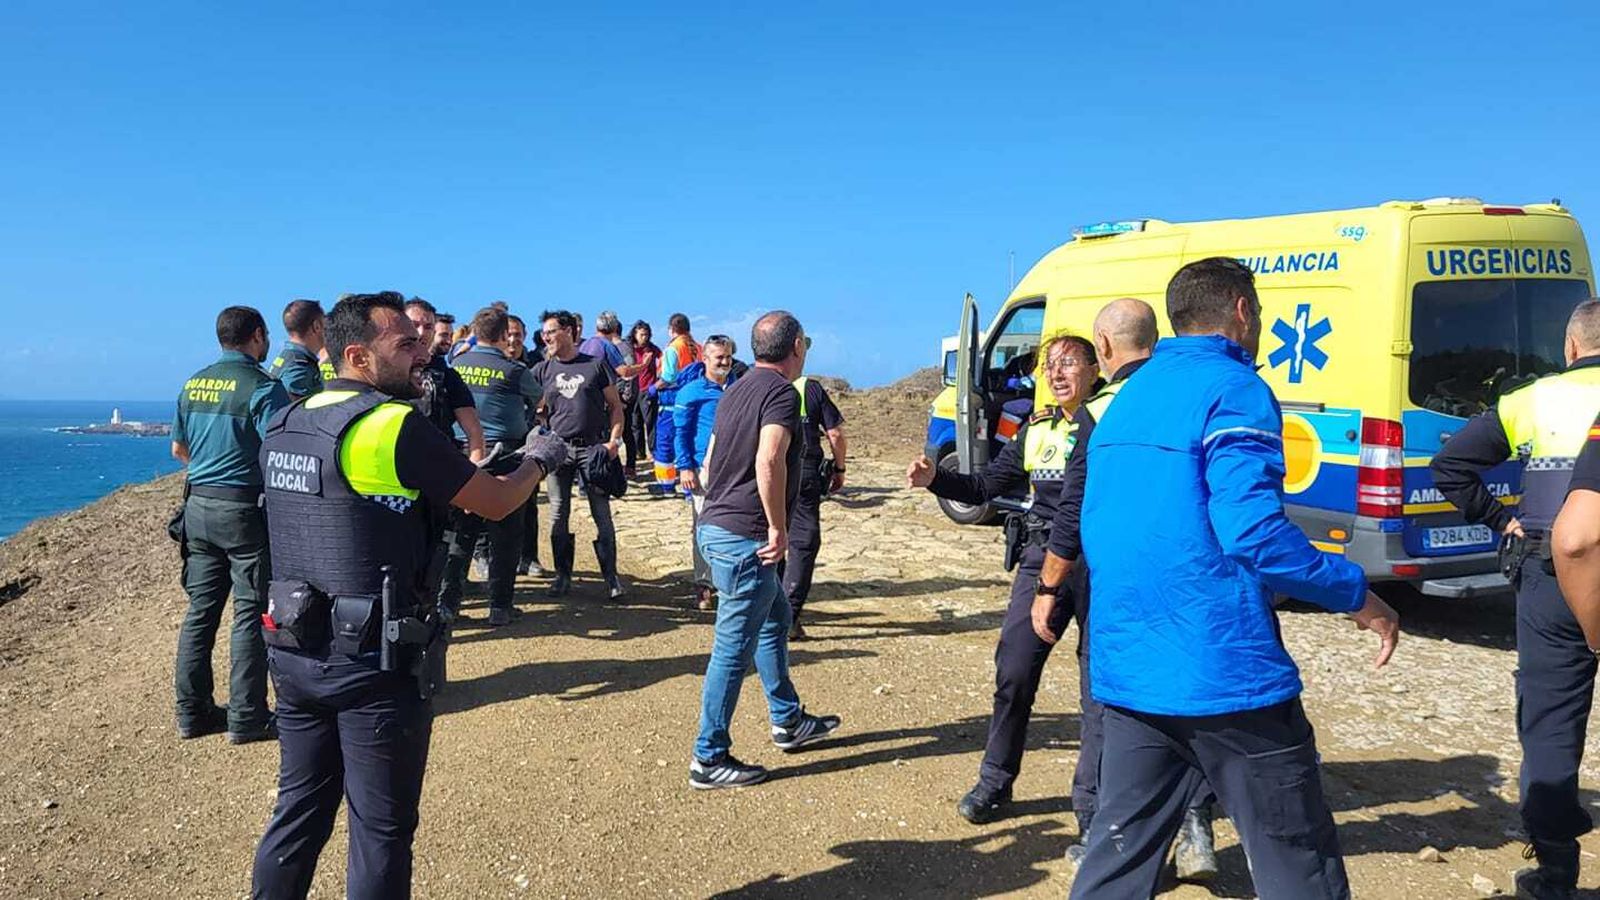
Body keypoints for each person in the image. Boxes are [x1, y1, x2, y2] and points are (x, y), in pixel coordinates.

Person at [1068, 258, 1400, 900]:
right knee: (1294, 857)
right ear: (1243, 311)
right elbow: (1253, 534)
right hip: (1227, 675)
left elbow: (1101, 525)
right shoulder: (1234, 389)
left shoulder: (1127, 398)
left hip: (1131, 671)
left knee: (1118, 858)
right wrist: (1357, 593)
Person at [251, 291, 564, 898]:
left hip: (293, 647)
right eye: (405, 345)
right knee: (381, 830)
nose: (423, 353)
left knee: (298, 812)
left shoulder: (288, 419)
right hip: (373, 659)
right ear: (358, 357)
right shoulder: (391, 425)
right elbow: (496, 502)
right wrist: (538, 460)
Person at [1027, 299, 1219, 877]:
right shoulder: (1196, 391)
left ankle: (1113, 839)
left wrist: (1048, 584)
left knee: (1114, 708)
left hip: (1123, 580)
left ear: (1103, 351)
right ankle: (1195, 827)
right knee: (1195, 701)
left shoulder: (1101, 412)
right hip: (1194, 574)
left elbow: (1073, 509)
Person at [1432, 299, 1600, 899]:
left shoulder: (1537, 397)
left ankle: (1556, 872)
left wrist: (1501, 520)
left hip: (1551, 568)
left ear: (1572, 347)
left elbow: (1451, 465)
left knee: (1551, 720)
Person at [906, 331, 1097, 823]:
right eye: (1049, 365)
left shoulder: (1107, 425)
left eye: (1069, 363)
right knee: (1013, 670)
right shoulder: (1037, 428)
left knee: (1096, 689)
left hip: (1097, 565)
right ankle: (995, 781)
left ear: (1095, 370)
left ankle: (1092, 805)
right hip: (1040, 557)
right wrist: (935, 480)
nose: (1055, 373)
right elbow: (986, 485)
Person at [689, 311, 841, 789]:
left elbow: (712, 461)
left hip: (716, 526)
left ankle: (788, 719)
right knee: (731, 651)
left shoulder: (734, 390)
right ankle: (708, 758)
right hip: (746, 539)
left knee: (775, 619)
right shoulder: (779, 393)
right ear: (796, 344)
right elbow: (769, 457)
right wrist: (776, 527)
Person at [170, 306, 290, 743]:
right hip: (243, 510)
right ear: (257, 336)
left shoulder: (193, 382)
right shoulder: (262, 388)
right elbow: (280, 454)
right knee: (248, 613)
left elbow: (179, 450)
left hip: (198, 507)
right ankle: (246, 716)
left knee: (200, 612)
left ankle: (191, 713)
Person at [436, 307, 544, 626]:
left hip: (461, 452)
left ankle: (449, 603)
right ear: (502, 336)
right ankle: (499, 605)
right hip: (506, 453)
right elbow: (539, 400)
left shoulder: (456, 363)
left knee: (460, 531)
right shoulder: (514, 369)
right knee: (507, 532)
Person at [533, 309, 629, 599]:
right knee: (558, 513)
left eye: (551, 331)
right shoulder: (542, 370)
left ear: (569, 331)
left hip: (593, 448)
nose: (546, 337)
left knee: (602, 513)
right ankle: (563, 576)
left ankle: (611, 579)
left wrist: (614, 442)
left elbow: (615, 406)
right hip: (558, 449)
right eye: (544, 333)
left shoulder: (596, 365)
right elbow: (535, 408)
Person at [674, 335, 739, 610]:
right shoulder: (691, 391)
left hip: (737, 469)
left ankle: (730, 582)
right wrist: (684, 466)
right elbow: (681, 432)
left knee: (734, 527)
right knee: (703, 525)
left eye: (727, 356)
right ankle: (704, 584)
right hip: (702, 469)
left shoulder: (739, 388)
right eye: (718, 357)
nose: (724, 362)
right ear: (705, 359)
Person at [782, 373, 846, 640]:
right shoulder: (809, 388)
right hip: (804, 471)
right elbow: (835, 433)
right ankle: (788, 617)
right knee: (803, 543)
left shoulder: (753, 381)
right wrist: (839, 468)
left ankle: (768, 610)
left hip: (765, 471)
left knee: (769, 536)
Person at [403, 298, 485, 460]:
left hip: (439, 465)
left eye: (428, 327)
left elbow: (475, 433)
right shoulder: (383, 371)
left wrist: (475, 471)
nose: (421, 333)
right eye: (414, 325)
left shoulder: (448, 376)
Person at [652, 313, 702, 492]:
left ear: (671, 329)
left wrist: (654, 388)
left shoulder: (673, 348)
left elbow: (669, 376)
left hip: (672, 401)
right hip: (695, 401)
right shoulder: (698, 347)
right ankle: (690, 488)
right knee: (688, 442)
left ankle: (666, 486)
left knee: (665, 443)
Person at [267, 299, 326, 401]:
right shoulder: (299, 367)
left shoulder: (286, 357)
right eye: (325, 324)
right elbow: (300, 413)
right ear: (316, 326)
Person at [626, 320, 662, 478]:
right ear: (635, 334)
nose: (644, 337)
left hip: (648, 389)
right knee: (635, 423)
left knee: (650, 422)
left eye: (647, 334)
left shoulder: (653, 349)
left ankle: (653, 451)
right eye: (642, 334)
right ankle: (639, 452)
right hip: (633, 389)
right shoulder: (629, 349)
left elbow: (662, 361)